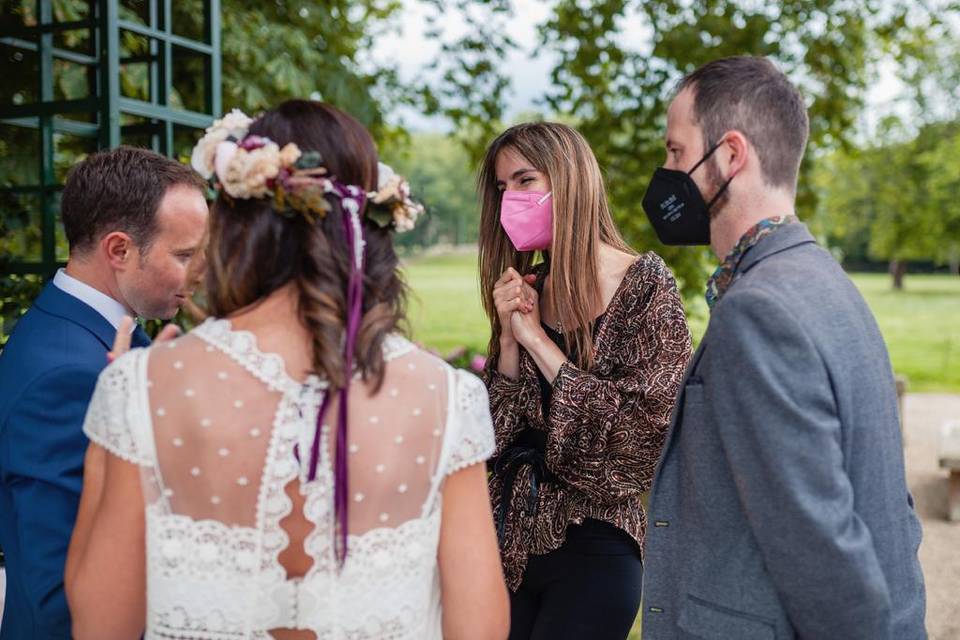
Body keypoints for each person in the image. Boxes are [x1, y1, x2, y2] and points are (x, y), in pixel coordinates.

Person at [65, 101, 510, 640]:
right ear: (370, 225)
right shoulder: (445, 398)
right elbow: (479, 627)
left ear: (230, 222)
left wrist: (112, 419)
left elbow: (101, 624)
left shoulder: (143, 389)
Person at [640, 56, 927, 639]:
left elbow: (820, 549)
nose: (666, 171)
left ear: (730, 155)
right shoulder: (824, 277)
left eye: (675, 152)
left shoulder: (757, 311)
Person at [477, 121, 692, 639]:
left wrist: (540, 346)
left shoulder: (645, 288)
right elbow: (493, 439)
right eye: (503, 188)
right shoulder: (531, 286)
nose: (511, 199)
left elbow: (643, 444)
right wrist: (508, 342)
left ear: (569, 181)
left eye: (526, 181)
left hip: (598, 547)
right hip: (510, 543)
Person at [0, 146, 208, 639]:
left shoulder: (98, 334)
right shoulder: (67, 378)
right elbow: (63, 593)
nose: (201, 274)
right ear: (119, 250)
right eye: (184, 256)